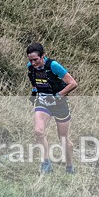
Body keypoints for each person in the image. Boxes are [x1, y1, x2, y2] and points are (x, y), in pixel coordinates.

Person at [26, 42, 78, 174]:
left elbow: (72, 83)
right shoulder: (30, 67)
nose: (33, 63)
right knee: (38, 131)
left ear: (43, 56)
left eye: (36, 60)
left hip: (59, 104)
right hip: (43, 103)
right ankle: (46, 163)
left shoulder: (53, 66)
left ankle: (70, 166)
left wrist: (57, 96)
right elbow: (34, 82)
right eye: (30, 60)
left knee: (63, 138)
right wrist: (34, 94)